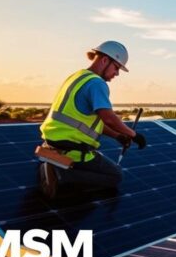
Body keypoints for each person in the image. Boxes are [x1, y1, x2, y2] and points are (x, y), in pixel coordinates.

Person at [38, 41, 147, 199]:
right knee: (115, 176)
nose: (116, 73)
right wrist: (133, 135)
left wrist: (118, 136)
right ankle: (60, 175)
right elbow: (108, 118)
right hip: (72, 149)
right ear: (104, 60)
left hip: (52, 142)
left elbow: (87, 123)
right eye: (116, 67)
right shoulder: (97, 83)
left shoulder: (77, 77)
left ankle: (55, 169)